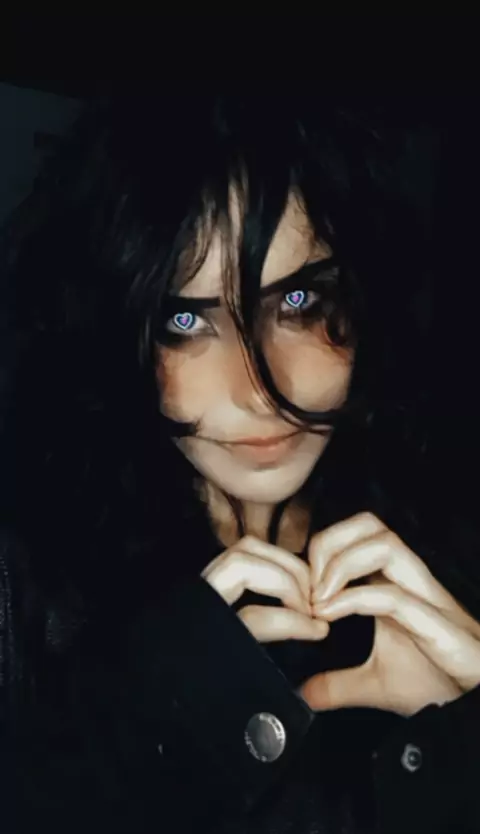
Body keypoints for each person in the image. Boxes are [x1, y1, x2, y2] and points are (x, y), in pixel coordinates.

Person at [0, 87, 479, 834]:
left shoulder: (450, 538)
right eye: (186, 319)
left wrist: (459, 749)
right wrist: (159, 722)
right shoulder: (31, 583)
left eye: (297, 303)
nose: (259, 392)